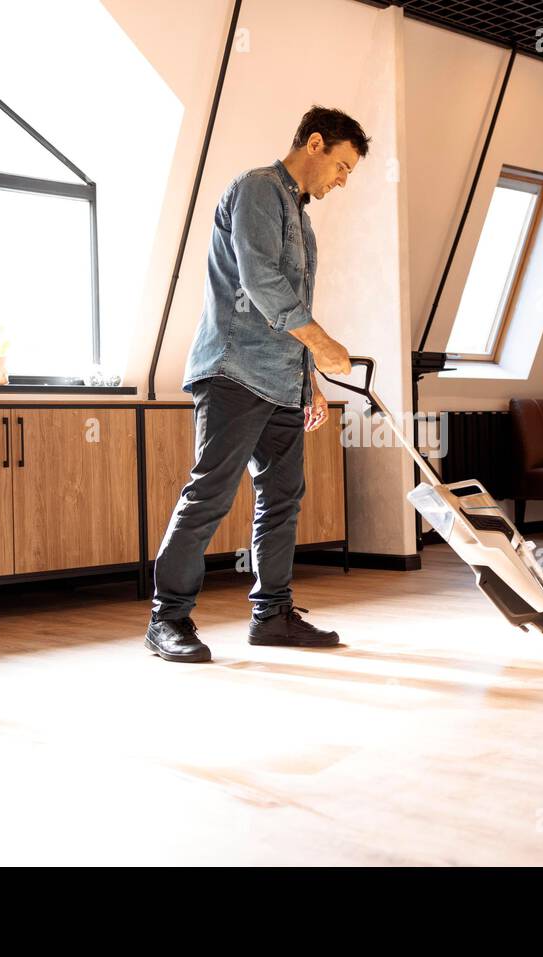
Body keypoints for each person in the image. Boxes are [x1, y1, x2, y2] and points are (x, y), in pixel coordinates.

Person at [145, 106, 369, 663]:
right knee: (210, 495)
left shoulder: (302, 217)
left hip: (281, 381)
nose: (343, 181)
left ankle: (272, 615)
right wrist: (323, 343)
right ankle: (166, 618)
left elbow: (293, 308)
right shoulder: (256, 190)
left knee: (282, 499)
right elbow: (261, 281)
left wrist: (309, 379)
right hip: (233, 372)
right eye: (342, 166)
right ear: (315, 144)